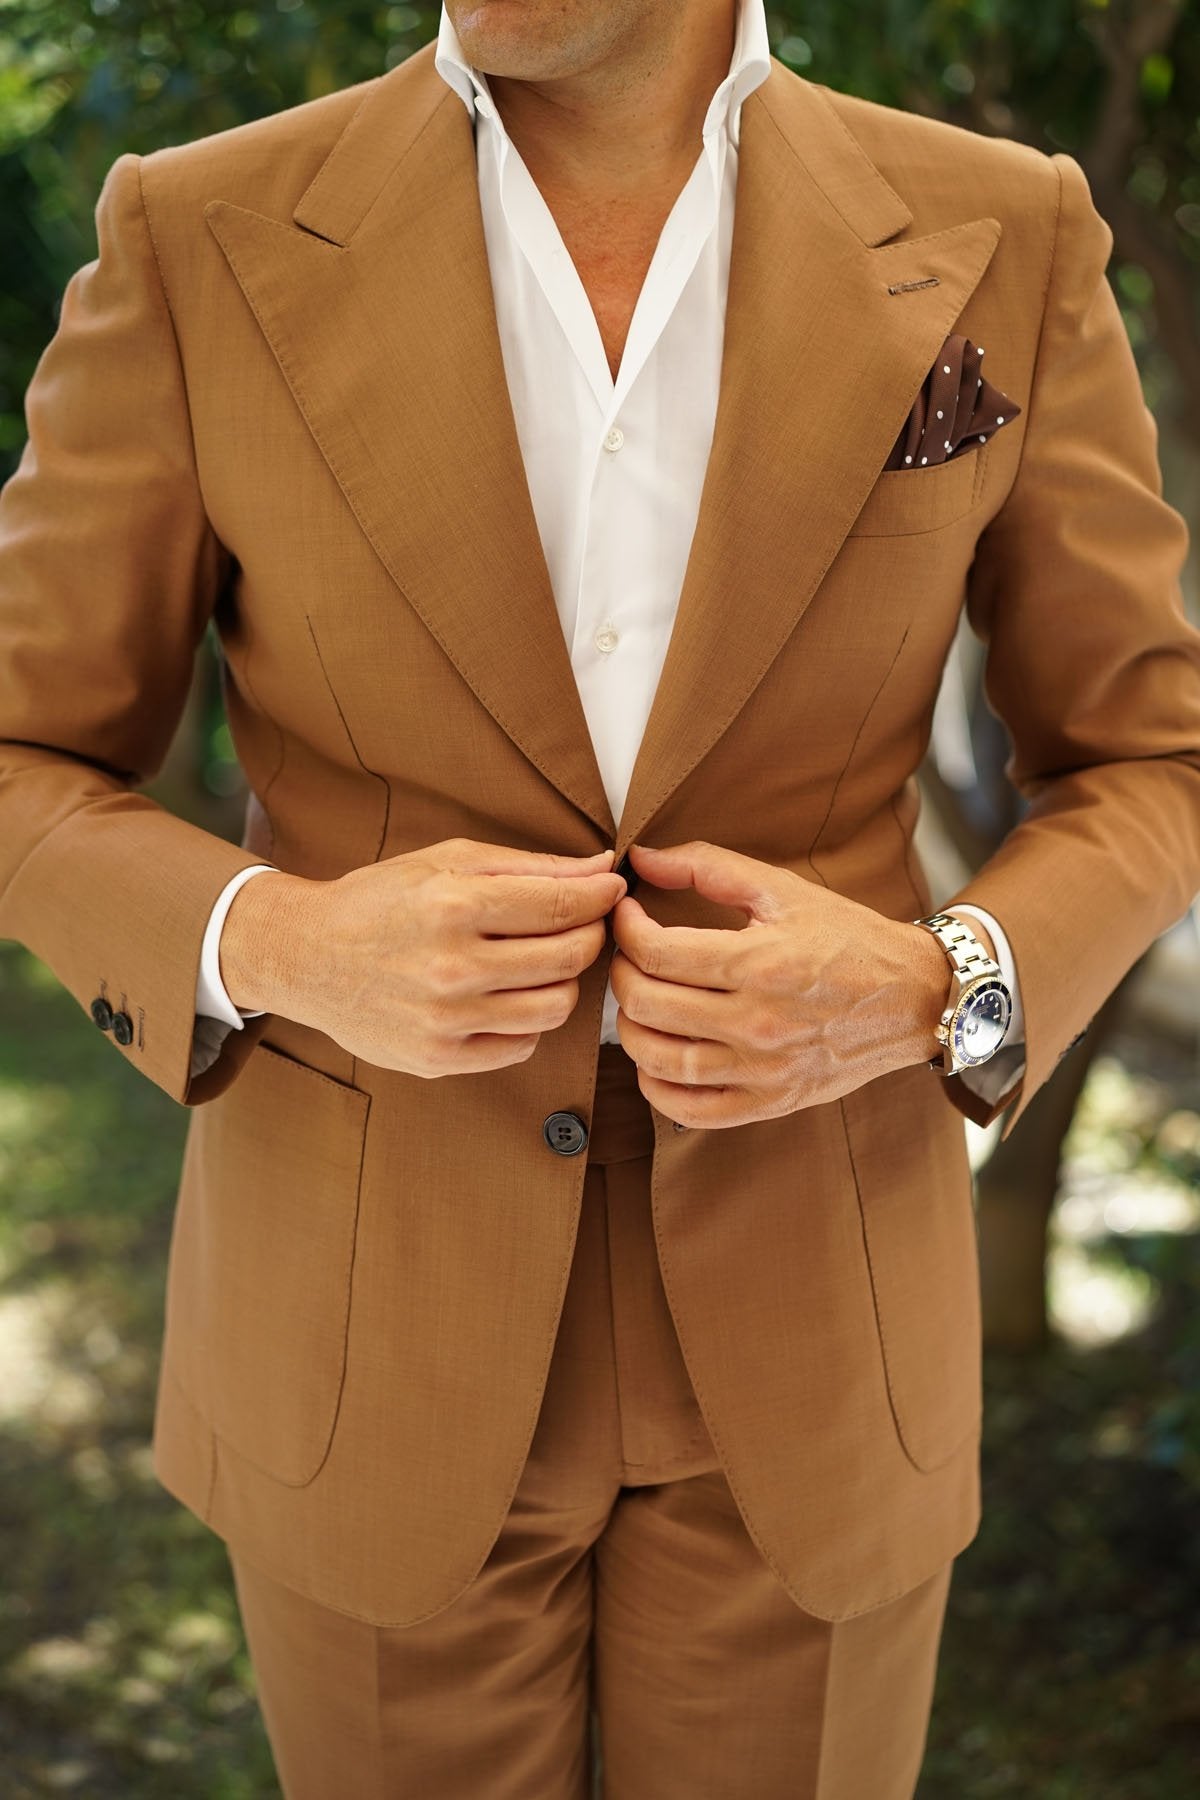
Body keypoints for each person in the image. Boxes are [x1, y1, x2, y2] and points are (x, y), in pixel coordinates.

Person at [2, 0, 1198, 1793]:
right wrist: (285, 944)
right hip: (365, 1337)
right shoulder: (195, 231)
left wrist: (944, 981)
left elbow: (1148, 758)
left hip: (821, 1324)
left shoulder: (1002, 229)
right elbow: (26, 755)